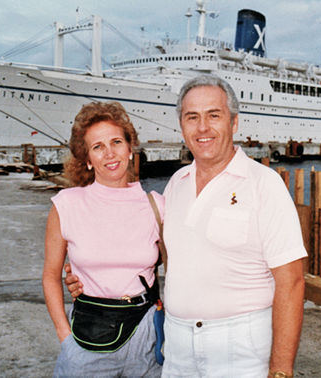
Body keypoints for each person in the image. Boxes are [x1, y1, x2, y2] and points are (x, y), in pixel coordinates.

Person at [66, 75, 307, 378]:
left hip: (239, 348)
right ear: (182, 127)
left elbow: (292, 282)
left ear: (233, 122)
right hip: (177, 348)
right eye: (192, 117)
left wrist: (281, 371)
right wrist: (86, 275)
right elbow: (146, 256)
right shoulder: (175, 186)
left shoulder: (264, 185)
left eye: (213, 115)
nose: (202, 128)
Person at [42, 101, 164, 378]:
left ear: (129, 147)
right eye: (97, 146)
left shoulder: (155, 205)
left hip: (145, 336)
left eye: (116, 142)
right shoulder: (66, 205)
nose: (110, 153)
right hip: (87, 339)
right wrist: (65, 338)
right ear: (87, 158)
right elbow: (50, 275)